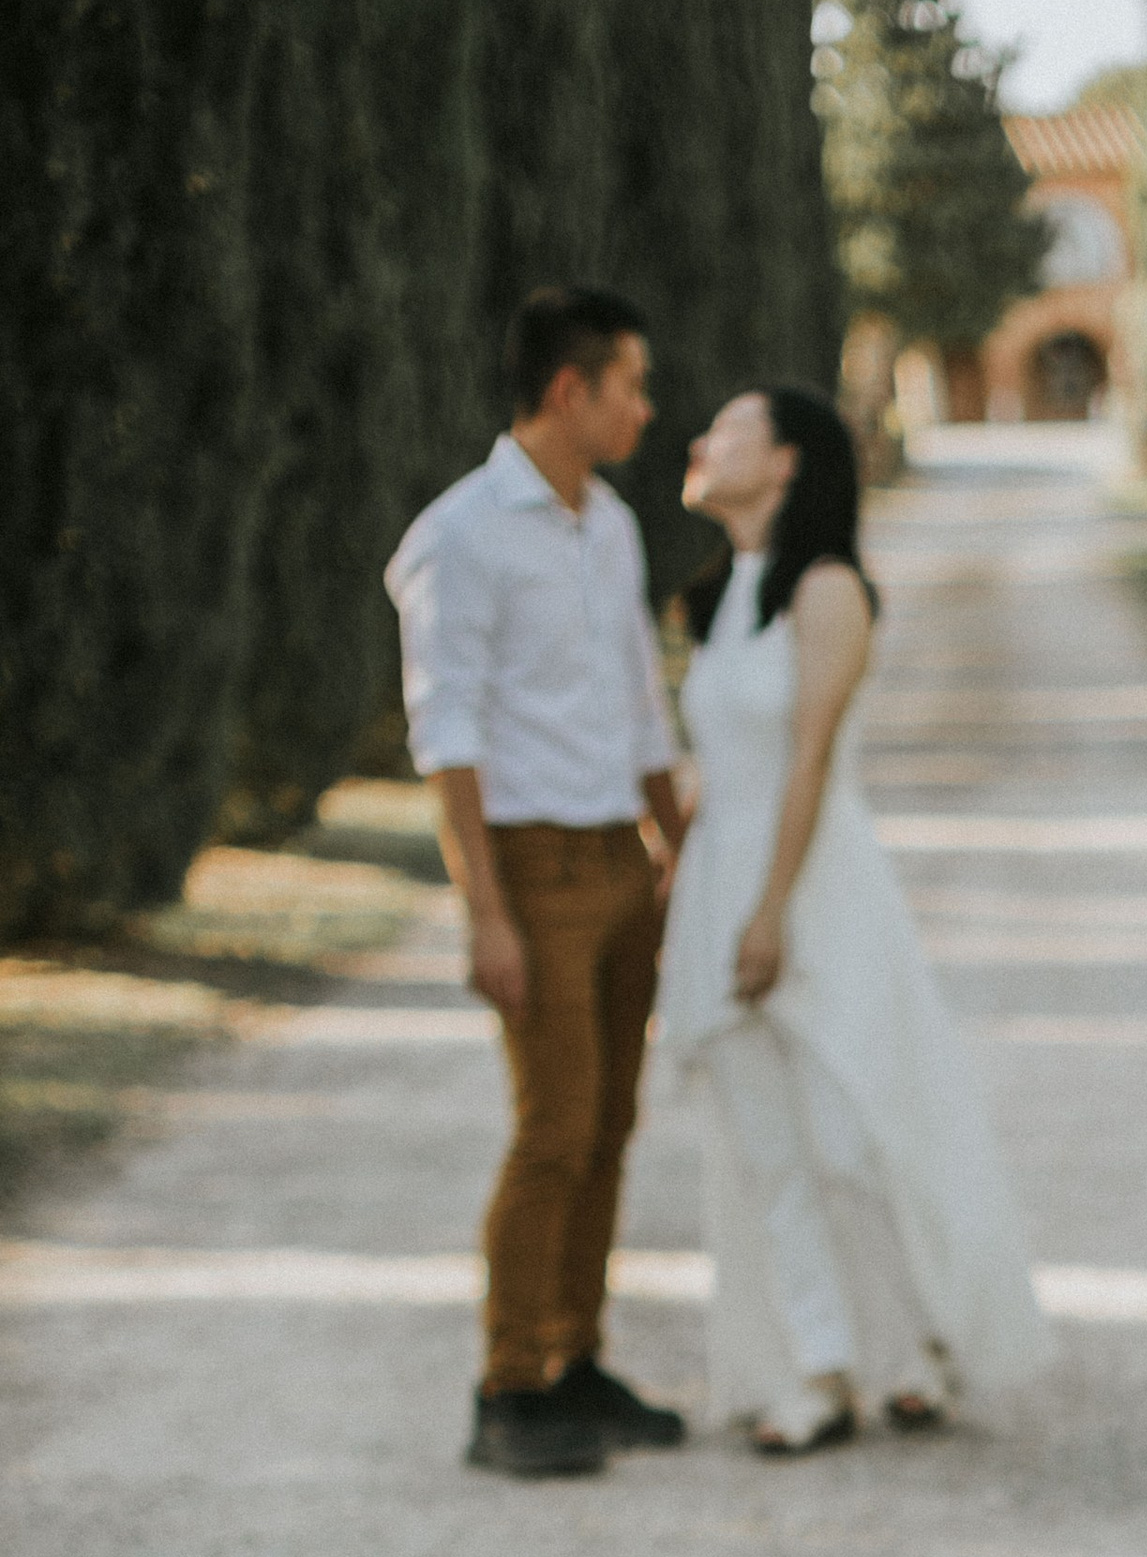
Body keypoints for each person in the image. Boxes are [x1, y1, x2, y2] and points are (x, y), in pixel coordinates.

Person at [656, 384, 1047, 1450]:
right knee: (764, 1148)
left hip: (812, 884)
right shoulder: (717, 595)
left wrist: (769, 910)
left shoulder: (828, 591)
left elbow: (811, 759)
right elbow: (720, 765)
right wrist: (683, 870)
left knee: (848, 1132)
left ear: (786, 464)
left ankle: (911, 1343)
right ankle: (817, 1368)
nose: (701, 442)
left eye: (728, 431)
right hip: (718, 883)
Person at [386, 284, 691, 1480]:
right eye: (631, 384)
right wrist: (487, 915)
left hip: (620, 854)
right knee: (552, 1129)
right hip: (532, 868)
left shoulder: (606, 523)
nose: (646, 407)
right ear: (570, 391)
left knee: (611, 1124)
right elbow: (444, 732)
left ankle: (575, 1359)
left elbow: (638, 696)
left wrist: (677, 841)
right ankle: (508, 1387)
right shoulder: (457, 535)